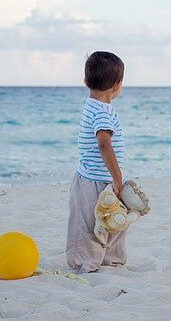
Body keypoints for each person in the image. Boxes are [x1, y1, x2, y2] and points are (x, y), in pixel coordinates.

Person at [66, 51, 127, 274]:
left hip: (99, 179)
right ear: (117, 85)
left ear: (85, 81)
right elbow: (104, 144)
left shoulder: (93, 105)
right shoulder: (102, 112)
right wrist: (118, 177)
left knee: (114, 220)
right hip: (93, 181)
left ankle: (109, 260)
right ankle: (86, 263)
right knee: (90, 224)